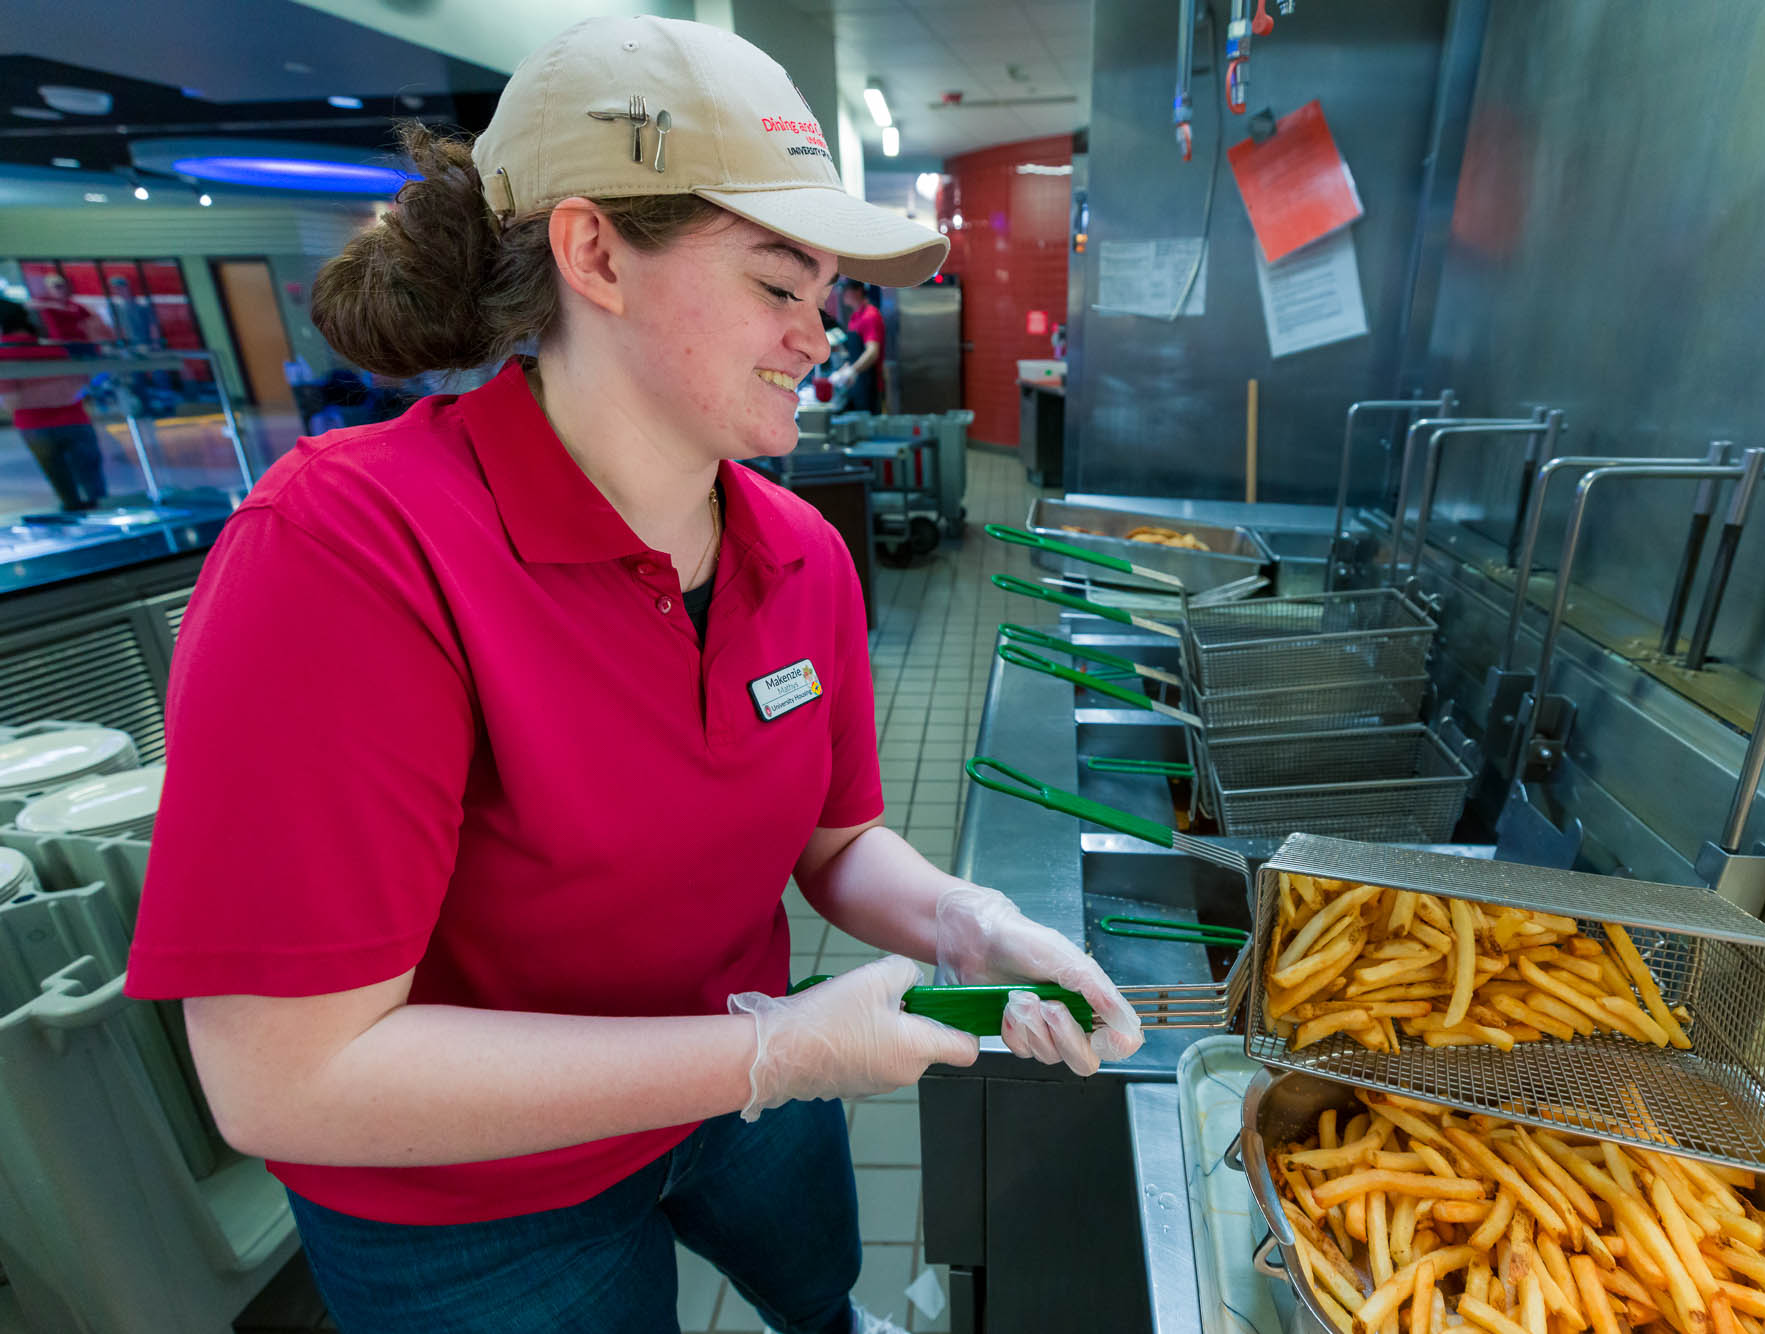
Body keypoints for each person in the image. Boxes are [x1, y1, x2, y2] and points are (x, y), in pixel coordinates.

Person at [123, 17, 1142, 1334]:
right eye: (779, 286)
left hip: (742, 1094)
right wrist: (781, 1050)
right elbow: (283, 1078)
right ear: (595, 251)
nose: (818, 333)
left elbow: (837, 844)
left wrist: (963, 920)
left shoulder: (804, 557)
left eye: (825, 293)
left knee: (819, 1300)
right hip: (474, 1202)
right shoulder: (350, 554)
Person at [0, 299, 108, 511]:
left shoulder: (4, 356)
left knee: (67, 494)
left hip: (34, 426)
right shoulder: (57, 349)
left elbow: (11, 402)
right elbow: (81, 385)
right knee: (95, 492)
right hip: (75, 419)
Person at [831, 278, 885, 414]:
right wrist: (843, 371)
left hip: (869, 387)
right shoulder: (855, 317)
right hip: (856, 386)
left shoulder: (870, 315)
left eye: (846, 290)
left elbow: (872, 352)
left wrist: (852, 371)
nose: (843, 294)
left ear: (859, 291)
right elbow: (855, 353)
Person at [29, 272, 112, 347]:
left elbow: (93, 318)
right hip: (62, 344)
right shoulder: (44, 302)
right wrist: (57, 306)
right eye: (57, 287)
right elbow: (29, 305)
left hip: (82, 342)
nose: (62, 290)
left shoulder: (75, 305)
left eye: (63, 286)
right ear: (49, 289)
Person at [106, 276, 163, 352]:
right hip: (129, 346)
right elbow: (117, 328)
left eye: (119, 288)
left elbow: (153, 325)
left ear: (126, 287)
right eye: (115, 289)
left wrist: (156, 343)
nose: (117, 291)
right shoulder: (116, 308)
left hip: (145, 344)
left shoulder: (142, 305)